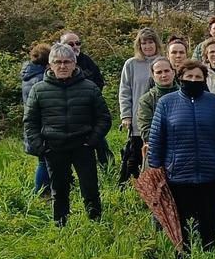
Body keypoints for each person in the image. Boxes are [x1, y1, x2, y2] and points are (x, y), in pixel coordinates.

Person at [147, 60, 215, 251]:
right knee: (182, 220)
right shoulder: (166, 103)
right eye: (189, 76)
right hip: (177, 174)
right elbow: (156, 139)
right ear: (180, 78)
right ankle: (184, 256)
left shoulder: (214, 102)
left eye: (198, 77)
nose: (193, 80)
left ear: (204, 79)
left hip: (210, 172)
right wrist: (155, 170)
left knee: (209, 219)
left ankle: (211, 253)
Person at [23, 43, 112, 224]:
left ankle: (97, 225)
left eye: (66, 62)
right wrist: (41, 147)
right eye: (58, 62)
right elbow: (30, 122)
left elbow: (103, 118)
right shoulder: (39, 90)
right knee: (59, 191)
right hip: (54, 148)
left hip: (83, 146)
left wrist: (92, 140)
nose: (62, 66)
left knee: (90, 189)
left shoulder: (89, 87)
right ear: (50, 64)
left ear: (74, 64)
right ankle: (61, 226)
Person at [118, 28, 162, 151]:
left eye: (150, 42)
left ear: (156, 43)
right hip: (138, 118)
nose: (147, 46)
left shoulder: (164, 62)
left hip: (160, 116)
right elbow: (125, 91)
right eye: (144, 43)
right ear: (139, 45)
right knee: (135, 158)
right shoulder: (131, 64)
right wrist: (126, 115)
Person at [21, 43, 52, 197]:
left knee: (43, 161)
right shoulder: (41, 79)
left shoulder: (28, 75)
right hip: (40, 127)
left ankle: (42, 193)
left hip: (33, 126)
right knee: (45, 162)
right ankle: (41, 194)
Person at [137, 57, 177, 149]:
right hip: (159, 150)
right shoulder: (146, 100)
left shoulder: (185, 95)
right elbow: (146, 132)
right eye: (159, 72)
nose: (163, 75)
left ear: (173, 72)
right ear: (153, 76)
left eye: (166, 71)